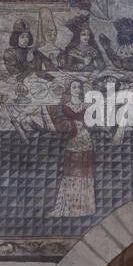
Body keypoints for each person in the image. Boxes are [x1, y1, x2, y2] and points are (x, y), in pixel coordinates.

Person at [47, 79, 96, 217]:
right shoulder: (64, 106)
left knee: (85, 173)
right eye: (74, 86)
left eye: (79, 87)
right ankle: (69, 206)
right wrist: (73, 125)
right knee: (71, 173)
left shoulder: (87, 105)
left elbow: (92, 122)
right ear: (70, 89)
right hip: (73, 141)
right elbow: (59, 123)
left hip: (85, 140)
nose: (77, 89)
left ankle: (84, 207)